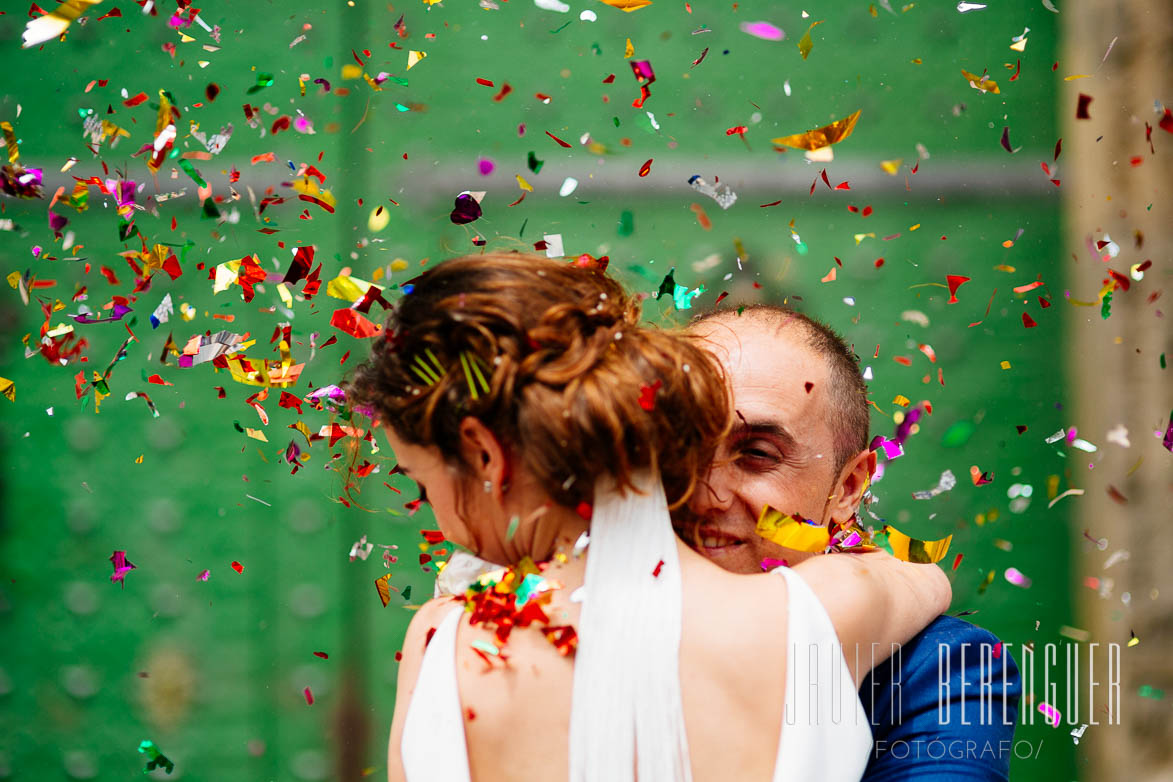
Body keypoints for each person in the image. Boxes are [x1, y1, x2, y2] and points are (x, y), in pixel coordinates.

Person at [347, 252, 951, 782]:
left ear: (485, 452)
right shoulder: (814, 619)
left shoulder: (443, 641)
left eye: (426, 485)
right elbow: (923, 579)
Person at [680, 304, 1022, 781]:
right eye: (678, 449)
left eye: (757, 454)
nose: (702, 494)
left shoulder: (937, 670)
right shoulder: (570, 619)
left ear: (846, 488)